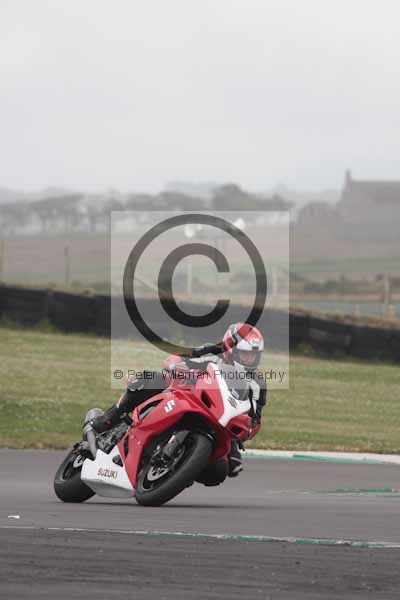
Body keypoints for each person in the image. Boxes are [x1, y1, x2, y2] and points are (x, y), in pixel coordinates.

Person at [88, 322, 267, 478]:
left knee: (223, 469)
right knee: (149, 378)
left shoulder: (257, 383)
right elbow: (174, 358)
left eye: (254, 356)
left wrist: (248, 430)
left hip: (220, 420)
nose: (250, 360)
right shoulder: (211, 353)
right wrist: (179, 367)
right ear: (230, 350)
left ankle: (180, 470)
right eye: (245, 355)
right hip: (184, 395)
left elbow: (255, 418)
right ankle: (109, 418)